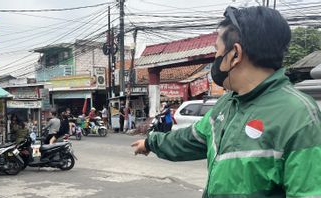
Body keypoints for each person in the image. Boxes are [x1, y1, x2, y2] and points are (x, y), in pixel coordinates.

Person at [131, 6, 321, 197]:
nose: (215, 57)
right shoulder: (227, 104)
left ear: (235, 54)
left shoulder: (299, 116)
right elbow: (190, 139)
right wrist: (150, 143)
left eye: (217, 50)